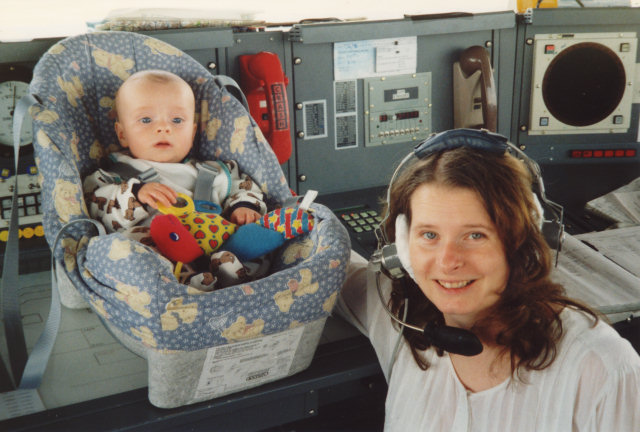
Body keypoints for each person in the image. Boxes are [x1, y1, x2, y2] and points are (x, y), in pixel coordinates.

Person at [337, 132, 640, 431]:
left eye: (475, 235)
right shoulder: (398, 315)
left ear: (520, 241)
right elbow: (331, 266)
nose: (448, 261)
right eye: (429, 235)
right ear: (402, 248)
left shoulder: (602, 367)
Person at [83, 69, 268, 288]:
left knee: (255, 239)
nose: (164, 128)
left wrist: (244, 206)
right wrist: (136, 195)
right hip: (157, 255)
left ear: (192, 133)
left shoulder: (212, 172)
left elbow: (244, 187)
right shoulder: (113, 175)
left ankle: (233, 275)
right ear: (122, 134)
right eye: (146, 119)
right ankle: (186, 283)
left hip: (213, 244)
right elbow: (96, 206)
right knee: (125, 247)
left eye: (177, 120)